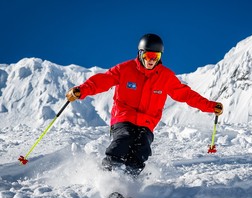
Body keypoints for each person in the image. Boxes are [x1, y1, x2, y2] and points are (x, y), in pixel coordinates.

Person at [66, 33, 223, 177]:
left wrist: (210, 106)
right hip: (123, 117)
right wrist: (81, 90)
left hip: (147, 122)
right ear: (140, 54)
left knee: (142, 148)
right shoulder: (124, 69)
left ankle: (128, 181)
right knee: (125, 139)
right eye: (148, 55)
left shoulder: (165, 77)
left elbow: (186, 95)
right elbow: (102, 81)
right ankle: (107, 174)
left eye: (156, 56)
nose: (151, 60)